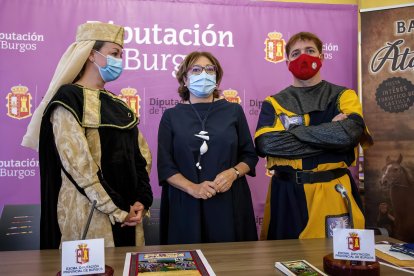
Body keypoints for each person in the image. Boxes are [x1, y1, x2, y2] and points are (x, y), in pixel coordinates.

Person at [21, 22, 153, 248]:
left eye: (121, 54)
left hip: (129, 213)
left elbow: (141, 157)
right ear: (92, 54)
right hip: (88, 214)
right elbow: (78, 164)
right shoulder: (69, 99)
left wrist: (142, 200)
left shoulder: (118, 104)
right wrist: (118, 207)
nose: (119, 60)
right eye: (114, 53)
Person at [255, 32, 373, 240]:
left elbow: (349, 134)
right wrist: (331, 136)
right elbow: (267, 144)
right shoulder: (274, 102)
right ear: (287, 61)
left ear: (321, 57)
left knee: (337, 259)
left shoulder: (344, 95)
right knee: (285, 262)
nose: (304, 57)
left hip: (332, 190)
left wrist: (292, 134)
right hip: (287, 193)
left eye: (310, 51)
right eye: (296, 53)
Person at [157, 51, 258, 244]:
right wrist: (193, 188)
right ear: (184, 80)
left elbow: (249, 156)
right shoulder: (171, 116)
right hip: (185, 203)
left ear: (217, 78)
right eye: (196, 69)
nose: (204, 73)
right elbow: (165, 166)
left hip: (229, 203)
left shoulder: (233, 111)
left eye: (209, 69)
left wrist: (233, 173)